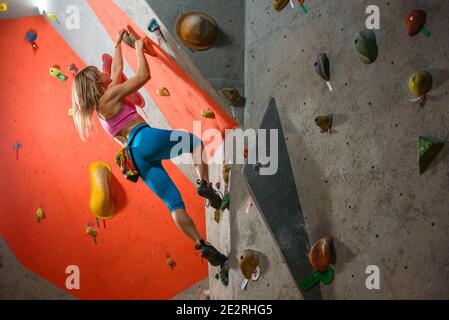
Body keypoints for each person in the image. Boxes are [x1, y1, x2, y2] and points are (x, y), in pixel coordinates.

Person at [71, 29, 228, 279]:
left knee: (173, 204)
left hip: (136, 160)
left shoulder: (100, 113)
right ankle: (205, 186)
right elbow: (144, 75)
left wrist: (117, 44)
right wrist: (139, 49)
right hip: (144, 139)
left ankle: (203, 245)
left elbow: (115, 72)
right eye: (98, 73)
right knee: (195, 143)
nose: (104, 73)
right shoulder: (110, 94)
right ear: (96, 83)